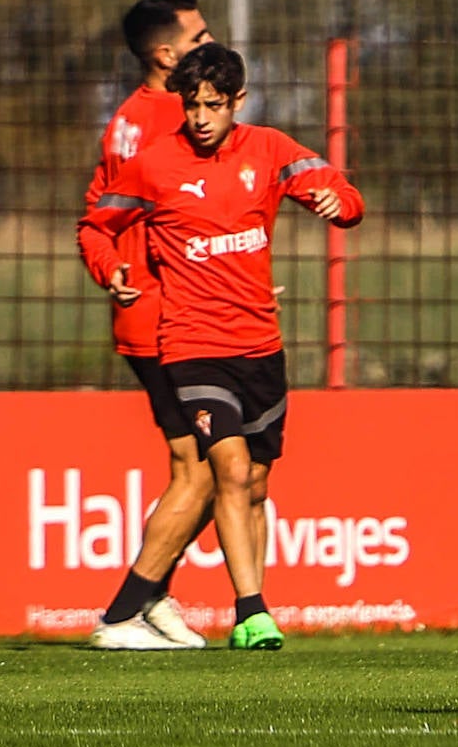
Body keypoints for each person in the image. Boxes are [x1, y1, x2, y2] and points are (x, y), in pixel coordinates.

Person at [78, 43, 365, 650]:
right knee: (227, 468)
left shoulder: (269, 150)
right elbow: (97, 223)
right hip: (190, 343)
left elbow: (337, 189)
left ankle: (153, 603)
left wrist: (342, 205)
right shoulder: (154, 163)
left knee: (256, 480)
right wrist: (109, 268)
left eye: (214, 104)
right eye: (192, 105)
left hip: (260, 342)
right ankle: (251, 610)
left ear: (238, 100)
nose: (202, 117)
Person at [80, 0, 217, 650]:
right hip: (168, 315)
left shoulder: (129, 116)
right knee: (207, 470)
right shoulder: (170, 121)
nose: (212, 41)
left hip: (160, 309)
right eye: (200, 35)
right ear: (168, 55)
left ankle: (154, 596)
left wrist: (107, 268)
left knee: (211, 466)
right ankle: (124, 612)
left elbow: (94, 207)